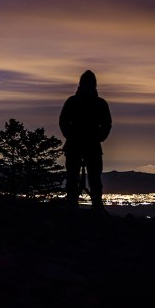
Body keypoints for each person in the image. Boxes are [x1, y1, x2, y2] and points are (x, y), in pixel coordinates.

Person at [59, 70, 112, 211]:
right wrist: (99, 137)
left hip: (79, 145)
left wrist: (69, 135)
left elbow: (63, 121)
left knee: (80, 178)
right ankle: (93, 206)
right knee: (89, 178)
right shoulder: (99, 103)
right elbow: (107, 124)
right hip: (87, 145)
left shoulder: (73, 102)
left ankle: (77, 206)